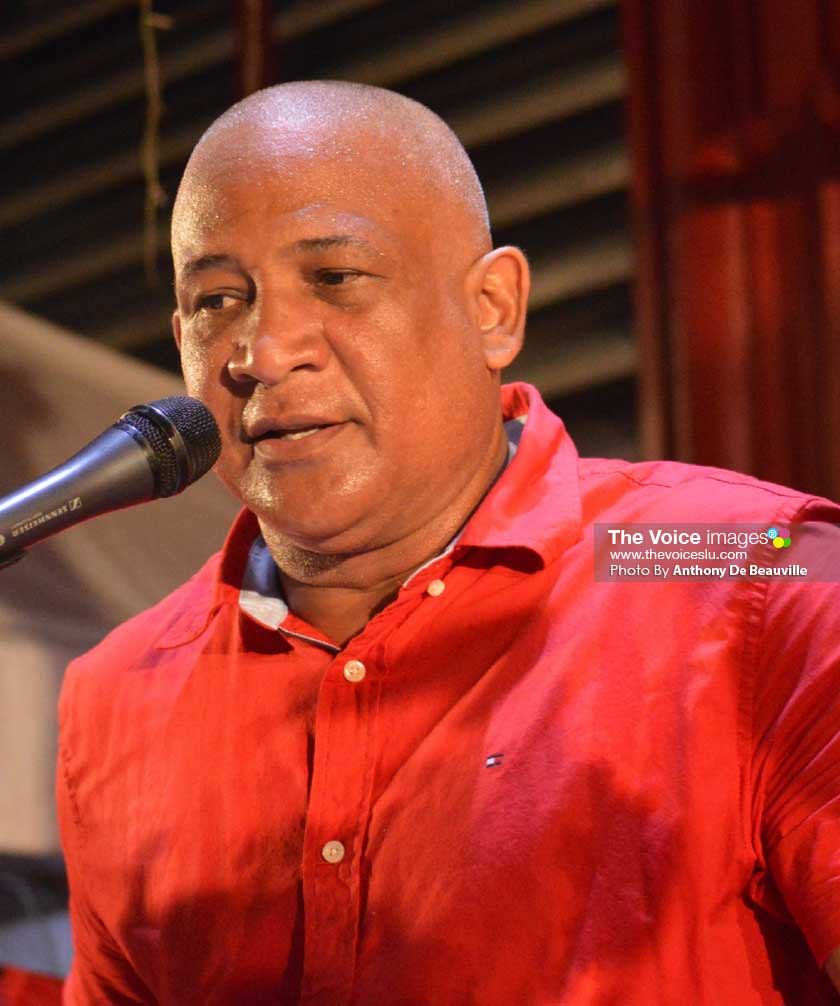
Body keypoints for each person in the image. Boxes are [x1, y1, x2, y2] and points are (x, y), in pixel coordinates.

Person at [56, 81, 840, 1005]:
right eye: (218, 300)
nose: (262, 351)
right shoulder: (119, 694)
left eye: (335, 278)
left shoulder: (750, 574)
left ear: (494, 309)